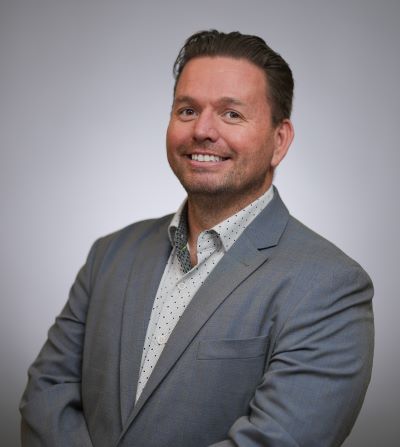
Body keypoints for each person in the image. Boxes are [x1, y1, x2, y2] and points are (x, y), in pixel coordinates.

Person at [20, 30, 374, 447]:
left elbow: (275, 441)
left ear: (279, 141)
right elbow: (47, 396)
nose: (203, 131)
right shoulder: (109, 255)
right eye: (187, 110)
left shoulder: (330, 286)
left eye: (231, 114)